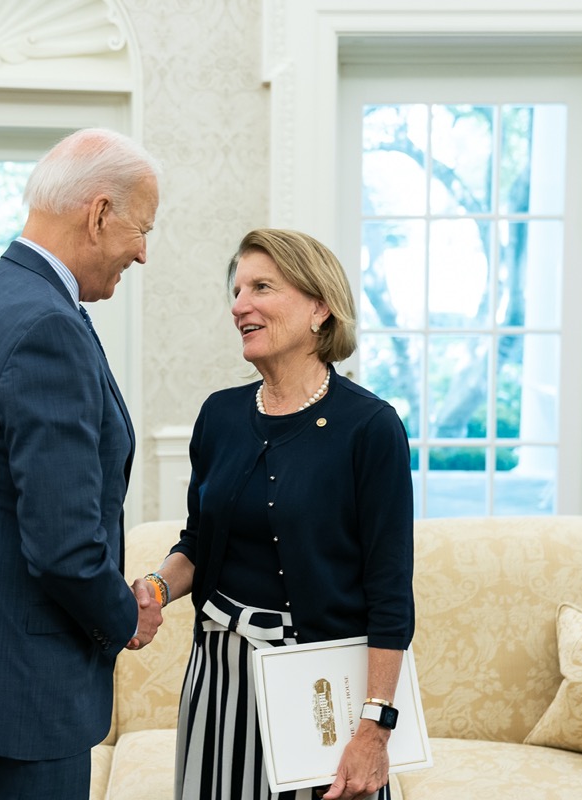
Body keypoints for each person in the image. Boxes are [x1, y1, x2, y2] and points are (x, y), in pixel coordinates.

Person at [0, 128, 165, 800]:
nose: (142, 252)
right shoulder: (44, 327)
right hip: (24, 687)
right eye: (141, 228)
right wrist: (124, 614)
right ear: (99, 213)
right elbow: (63, 544)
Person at [143, 229, 415, 800]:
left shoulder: (370, 427)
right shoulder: (218, 416)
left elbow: (389, 593)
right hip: (218, 676)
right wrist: (156, 588)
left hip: (318, 685)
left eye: (262, 286)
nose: (240, 304)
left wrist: (376, 725)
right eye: (237, 290)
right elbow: (198, 542)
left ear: (320, 307)